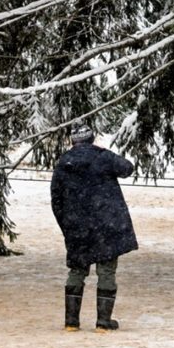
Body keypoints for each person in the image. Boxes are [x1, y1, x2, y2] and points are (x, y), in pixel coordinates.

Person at [51, 126, 137, 332]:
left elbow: (56, 200)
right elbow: (127, 168)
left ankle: (71, 322)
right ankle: (103, 322)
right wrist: (104, 153)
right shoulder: (103, 157)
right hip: (107, 224)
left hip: (77, 226)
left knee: (77, 270)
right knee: (106, 271)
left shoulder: (64, 163)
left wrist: (68, 225)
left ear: (73, 141)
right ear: (91, 139)